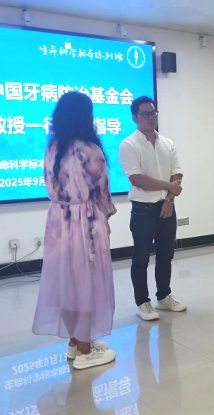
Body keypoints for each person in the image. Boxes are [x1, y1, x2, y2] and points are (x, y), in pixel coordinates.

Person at [32, 91, 117, 369]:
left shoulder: (53, 147)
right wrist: (106, 217)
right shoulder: (89, 149)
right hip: (85, 223)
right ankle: (85, 352)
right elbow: (101, 192)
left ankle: (75, 342)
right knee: (86, 283)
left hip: (58, 222)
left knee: (66, 282)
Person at [119, 96, 186, 321]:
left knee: (166, 254)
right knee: (141, 258)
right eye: (145, 114)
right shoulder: (129, 145)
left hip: (167, 206)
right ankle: (142, 303)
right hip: (143, 209)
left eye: (153, 113)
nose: (151, 117)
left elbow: (177, 173)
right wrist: (169, 186)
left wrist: (169, 199)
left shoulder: (167, 143)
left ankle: (163, 297)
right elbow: (137, 179)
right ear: (135, 117)